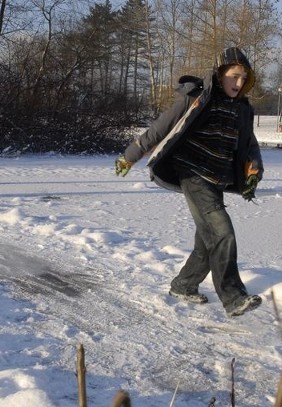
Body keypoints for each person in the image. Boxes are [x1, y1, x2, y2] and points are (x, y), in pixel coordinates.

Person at [115, 47, 264, 317]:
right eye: (234, 76)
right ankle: (233, 297)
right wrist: (130, 156)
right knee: (222, 233)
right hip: (192, 172)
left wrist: (254, 172)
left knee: (208, 241)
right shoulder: (198, 97)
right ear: (220, 74)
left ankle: (183, 285)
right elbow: (160, 128)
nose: (239, 83)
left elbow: (249, 145)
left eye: (244, 77)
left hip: (216, 178)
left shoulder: (243, 109)